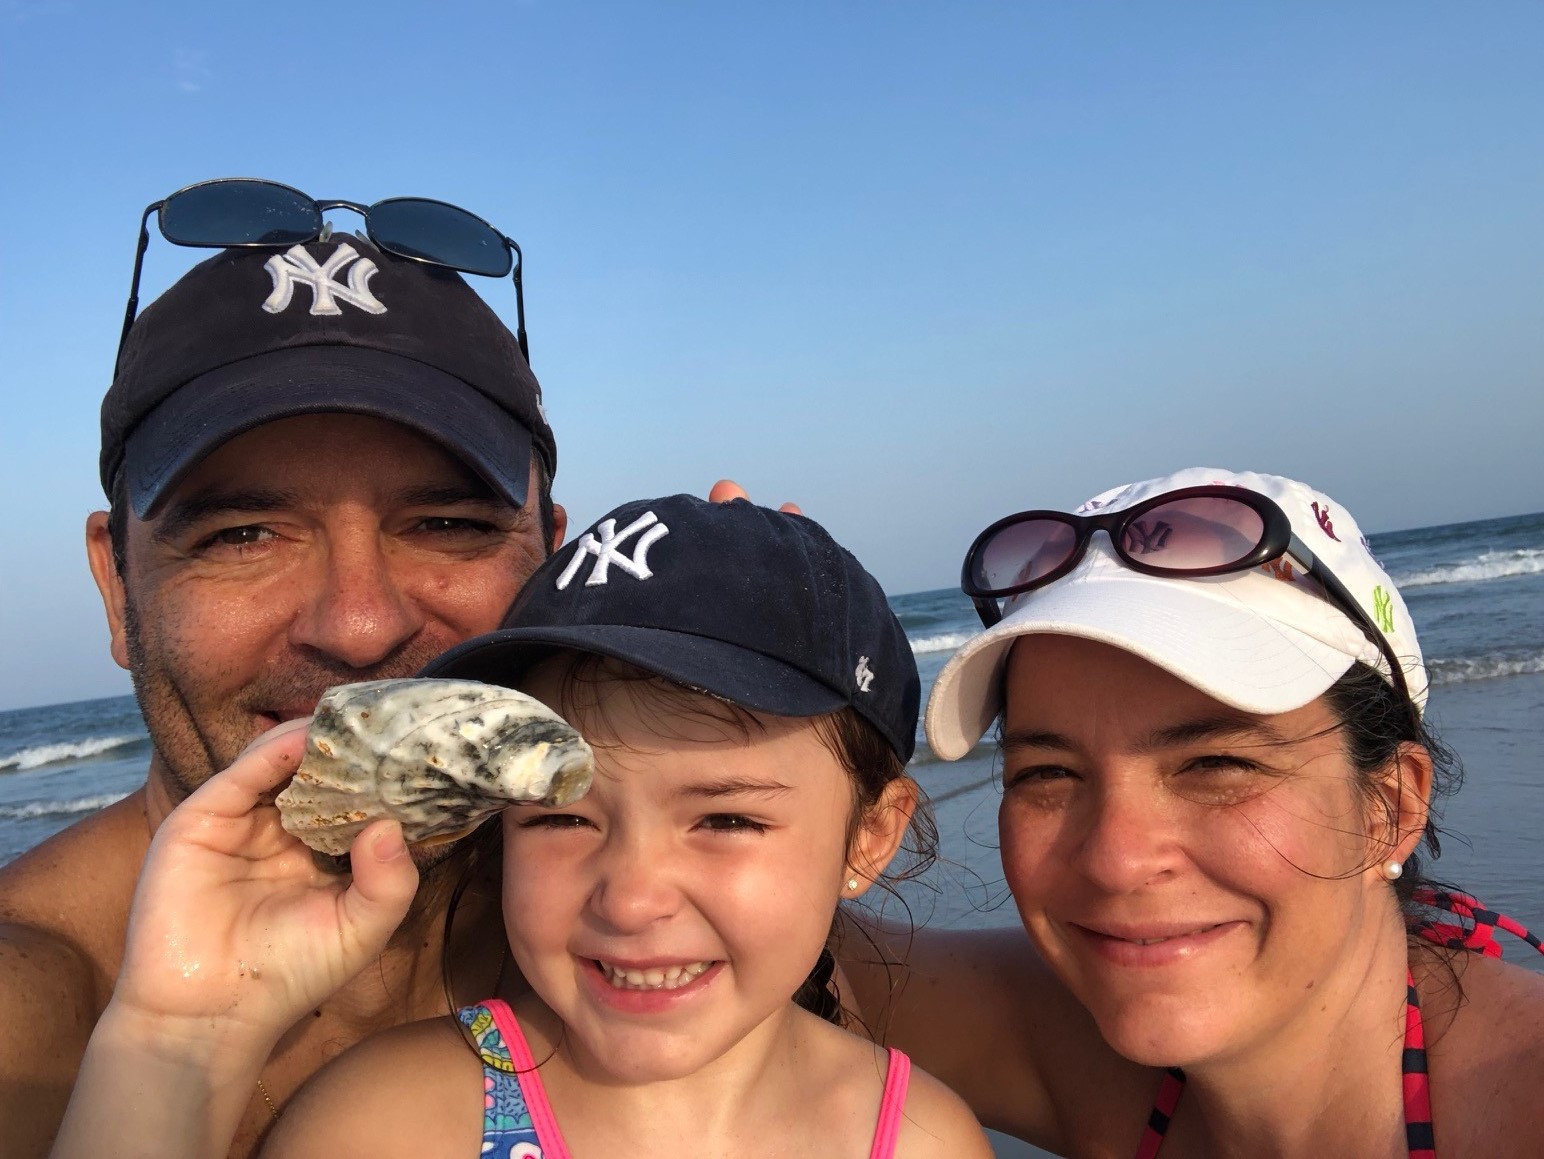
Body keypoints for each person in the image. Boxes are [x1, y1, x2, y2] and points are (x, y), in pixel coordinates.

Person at [52, 495, 993, 1159]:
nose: (629, 894)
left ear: (868, 838)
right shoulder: (390, 1123)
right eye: (563, 814)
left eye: (726, 816)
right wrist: (174, 1032)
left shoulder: (919, 1137)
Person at [0, 180, 568, 1158]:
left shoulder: (668, 930)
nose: (357, 626)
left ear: (552, 560)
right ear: (115, 586)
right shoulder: (29, 1030)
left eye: (446, 523)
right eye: (242, 532)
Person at [842, 467, 1544, 1157]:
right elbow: (790, 948)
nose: (1116, 859)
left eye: (1215, 766)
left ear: (1390, 809)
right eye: (1049, 772)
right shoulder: (1072, 1048)